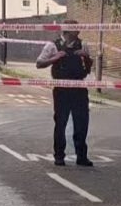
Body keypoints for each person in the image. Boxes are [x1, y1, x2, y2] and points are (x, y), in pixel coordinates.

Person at [36, 24, 95, 167]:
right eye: (76, 28)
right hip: (61, 89)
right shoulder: (53, 45)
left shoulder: (83, 44)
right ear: (67, 30)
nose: (79, 31)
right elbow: (39, 63)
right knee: (61, 123)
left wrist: (86, 57)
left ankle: (81, 156)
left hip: (79, 87)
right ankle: (59, 156)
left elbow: (88, 69)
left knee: (81, 123)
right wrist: (55, 58)